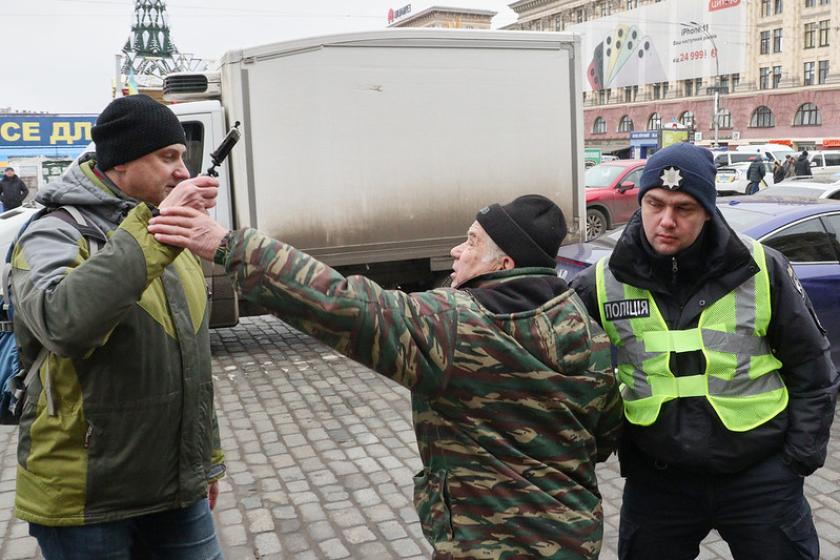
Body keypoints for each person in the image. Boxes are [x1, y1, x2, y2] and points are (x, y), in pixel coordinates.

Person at [148, 194, 623, 559]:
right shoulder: (585, 328)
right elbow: (601, 439)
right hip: (573, 538)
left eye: (472, 242)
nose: (457, 250)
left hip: (487, 546)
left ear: (505, 264)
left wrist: (231, 246)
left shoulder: (456, 326)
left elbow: (343, 304)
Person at [569, 142, 838, 560]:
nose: (666, 220)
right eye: (655, 204)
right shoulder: (601, 282)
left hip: (760, 478)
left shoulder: (762, 269)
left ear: (709, 210)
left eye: (684, 208)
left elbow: (813, 369)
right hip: (658, 483)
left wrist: (796, 460)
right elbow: (560, 375)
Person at [11, 95, 226, 559]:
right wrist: (153, 229)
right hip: (88, 503)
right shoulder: (54, 231)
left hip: (176, 492)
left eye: (183, 159)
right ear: (122, 162)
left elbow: (193, 366)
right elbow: (63, 323)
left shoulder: (165, 229)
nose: (183, 173)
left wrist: (204, 465)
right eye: (167, 157)